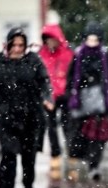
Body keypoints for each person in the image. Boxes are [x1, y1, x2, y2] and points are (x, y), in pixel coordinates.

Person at [0, 27, 54, 188]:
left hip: (30, 117)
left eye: (21, 45)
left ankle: (28, 184)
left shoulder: (33, 60)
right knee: (8, 155)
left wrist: (47, 98)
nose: (17, 49)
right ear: (7, 45)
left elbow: (44, 82)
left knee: (28, 158)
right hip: (5, 118)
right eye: (13, 45)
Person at [66, 21, 108, 181]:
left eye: (95, 39)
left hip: (99, 101)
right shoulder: (78, 54)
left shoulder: (104, 53)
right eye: (90, 39)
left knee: (98, 135)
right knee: (80, 134)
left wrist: (106, 94)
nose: (92, 42)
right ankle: (85, 159)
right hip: (80, 101)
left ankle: (94, 165)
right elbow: (71, 76)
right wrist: (73, 94)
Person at [38, 24, 74, 179]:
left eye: (52, 39)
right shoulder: (41, 54)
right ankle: (55, 154)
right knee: (51, 127)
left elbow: (72, 74)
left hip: (64, 95)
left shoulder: (67, 53)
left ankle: (71, 152)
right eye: (48, 40)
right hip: (49, 97)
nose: (50, 43)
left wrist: (68, 91)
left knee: (68, 126)